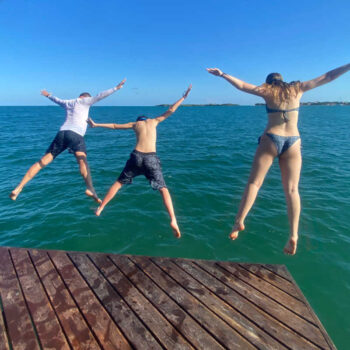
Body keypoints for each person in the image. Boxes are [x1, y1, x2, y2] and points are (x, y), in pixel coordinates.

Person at [207, 63, 350, 255]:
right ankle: (294, 234)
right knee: (292, 190)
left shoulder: (267, 91)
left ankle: (239, 221)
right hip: (293, 141)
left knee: (254, 184)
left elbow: (242, 85)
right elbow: (328, 76)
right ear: (282, 80)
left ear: (268, 82)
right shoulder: (297, 88)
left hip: (271, 139)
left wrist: (223, 74)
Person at [88, 84, 192, 238]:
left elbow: (115, 126)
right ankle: (173, 219)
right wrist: (184, 97)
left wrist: (96, 124)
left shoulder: (135, 124)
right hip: (151, 158)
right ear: (147, 119)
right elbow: (171, 110)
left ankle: (101, 207)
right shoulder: (154, 121)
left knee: (118, 183)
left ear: (139, 121)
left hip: (136, 157)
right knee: (163, 189)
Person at [10, 79, 126, 203]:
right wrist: (116, 88)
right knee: (83, 161)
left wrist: (48, 95)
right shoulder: (86, 100)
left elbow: (56, 99)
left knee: (41, 162)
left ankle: (18, 187)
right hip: (75, 135)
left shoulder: (68, 102)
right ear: (85, 97)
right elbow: (100, 95)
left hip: (62, 133)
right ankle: (90, 188)